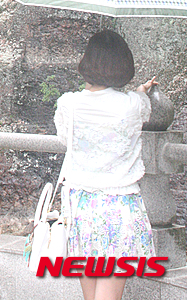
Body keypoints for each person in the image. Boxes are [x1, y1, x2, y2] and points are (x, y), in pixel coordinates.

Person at [54, 29, 157, 300]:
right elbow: (141, 107)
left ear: (87, 62)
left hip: (79, 205)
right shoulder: (132, 105)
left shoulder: (68, 104)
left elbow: (66, 139)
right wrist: (142, 90)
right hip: (119, 205)